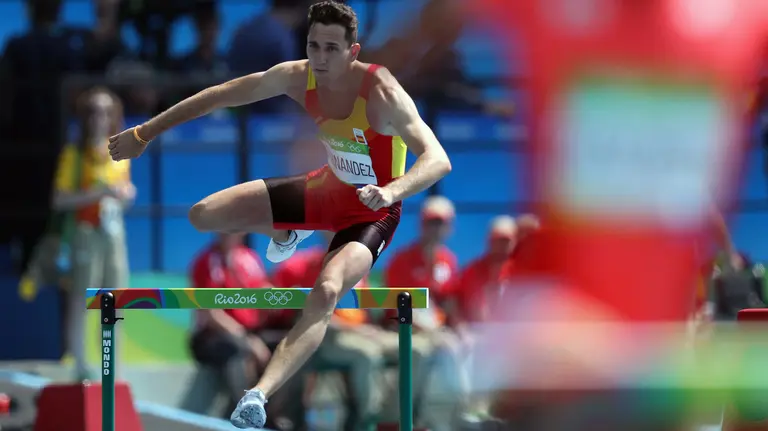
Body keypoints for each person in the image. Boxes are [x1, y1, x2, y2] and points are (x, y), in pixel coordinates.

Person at [106, 1, 452, 427]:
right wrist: (145, 132)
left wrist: (391, 190)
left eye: (331, 49)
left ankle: (257, 396)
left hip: (370, 213)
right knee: (203, 214)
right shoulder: (296, 75)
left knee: (326, 290)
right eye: (313, 46)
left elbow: (437, 159)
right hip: (324, 189)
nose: (320, 59)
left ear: (353, 51)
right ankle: (288, 231)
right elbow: (220, 95)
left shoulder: (382, 92)